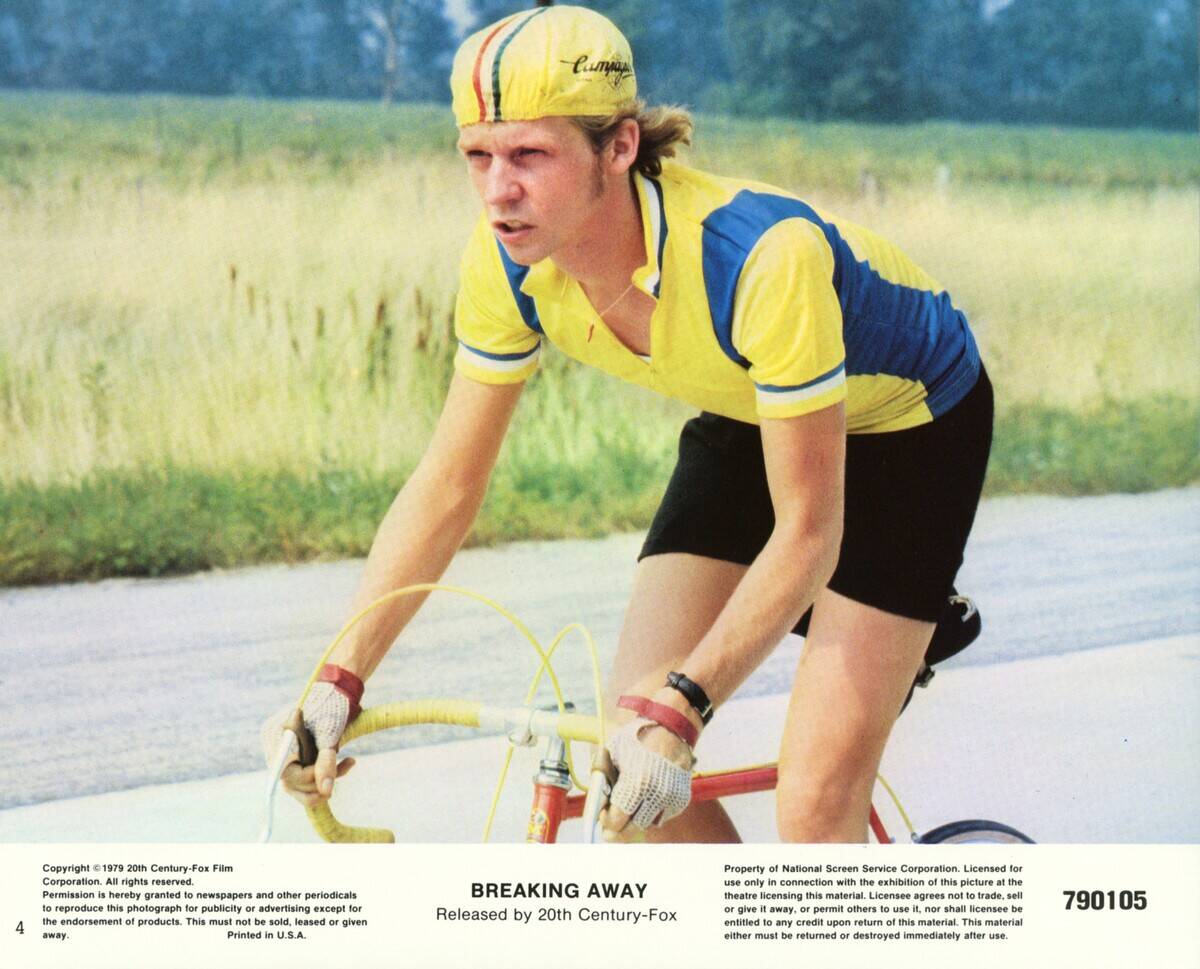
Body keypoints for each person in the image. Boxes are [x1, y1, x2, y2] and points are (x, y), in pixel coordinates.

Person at [263, 3, 993, 844]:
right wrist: (338, 677)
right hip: (754, 412)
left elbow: (809, 532)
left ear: (618, 148)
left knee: (813, 801)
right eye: (478, 156)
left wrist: (686, 709)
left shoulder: (759, 258)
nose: (499, 191)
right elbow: (448, 484)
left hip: (912, 431)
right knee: (629, 751)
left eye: (530, 155)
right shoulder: (509, 262)